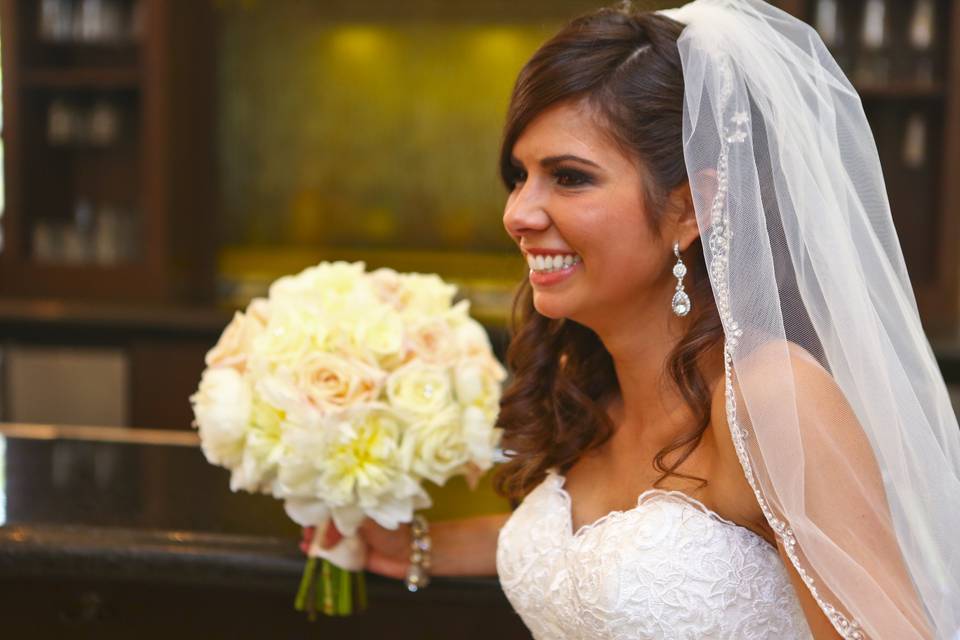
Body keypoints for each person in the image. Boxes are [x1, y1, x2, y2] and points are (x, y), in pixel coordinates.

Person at [303, 1, 960, 637]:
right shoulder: (585, 383)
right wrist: (414, 545)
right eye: (518, 175)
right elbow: (590, 554)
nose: (518, 214)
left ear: (691, 207)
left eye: (568, 177)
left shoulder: (770, 399)